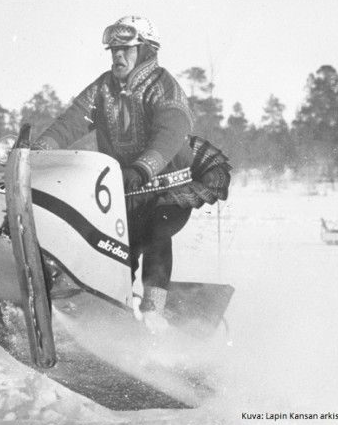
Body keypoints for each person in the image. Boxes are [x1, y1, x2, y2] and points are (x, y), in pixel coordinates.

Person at [28, 16, 230, 329]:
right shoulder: (102, 89)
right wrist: (39, 150)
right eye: (113, 51)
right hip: (126, 189)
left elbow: (171, 130)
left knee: (155, 234)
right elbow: (71, 122)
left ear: (146, 51)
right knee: (120, 248)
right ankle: (114, 315)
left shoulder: (164, 87)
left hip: (168, 186)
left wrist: (143, 167)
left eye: (126, 50)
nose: (117, 57)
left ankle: (154, 313)